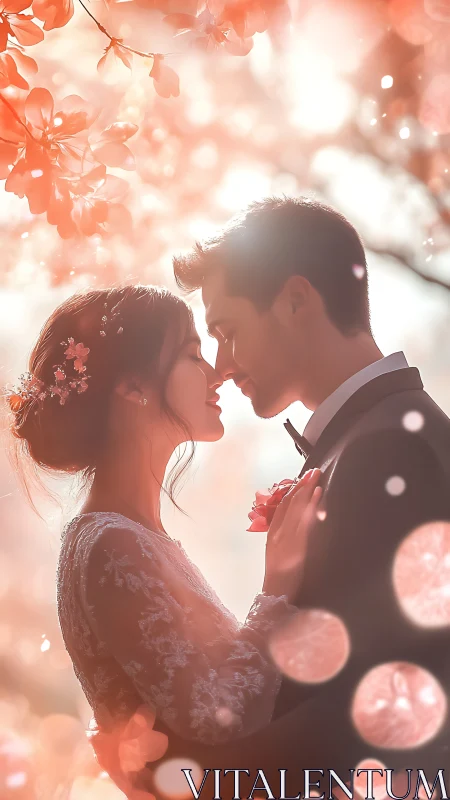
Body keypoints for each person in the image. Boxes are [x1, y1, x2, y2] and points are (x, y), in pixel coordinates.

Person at [171, 196, 450, 779]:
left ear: (296, 300)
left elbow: (379, 696)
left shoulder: (388, 447)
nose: (221, 365)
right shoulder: (377, 434)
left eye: (228, 332)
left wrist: (196, 778)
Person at [7, 285, 322, 797]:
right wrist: (278, 585)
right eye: (193, 355)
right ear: (133, 387)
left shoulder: (129, 536)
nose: (217, 373)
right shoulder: (110, 546)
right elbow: (214, 716)